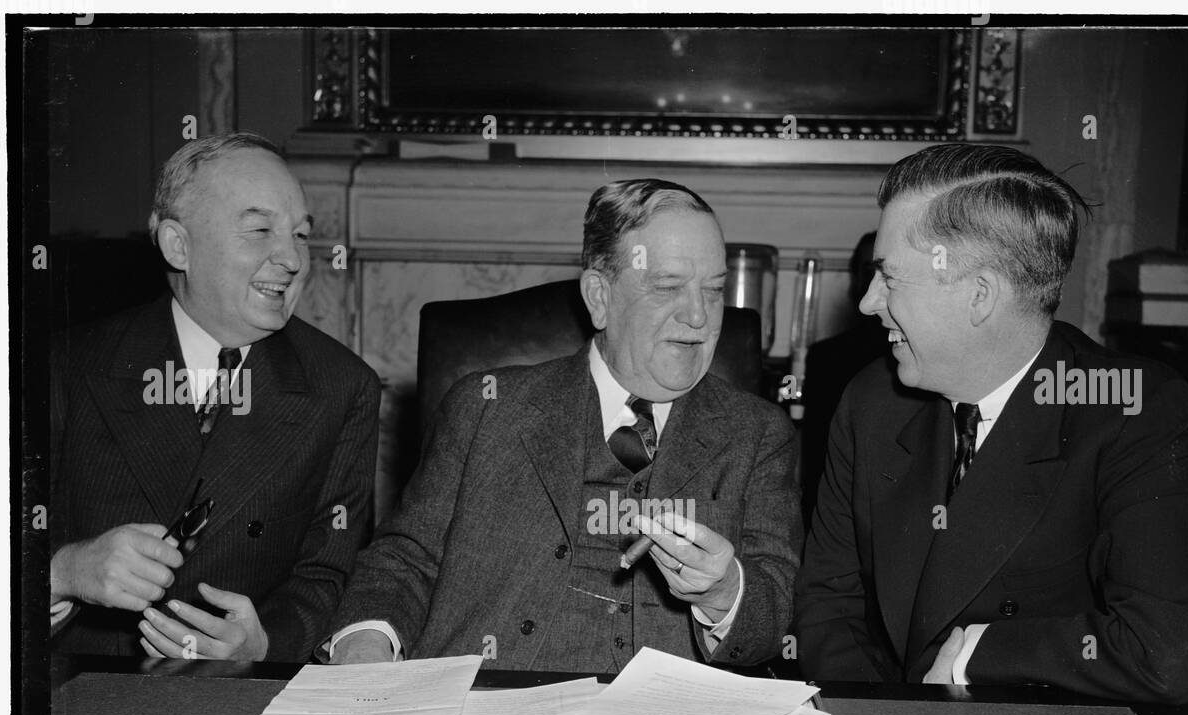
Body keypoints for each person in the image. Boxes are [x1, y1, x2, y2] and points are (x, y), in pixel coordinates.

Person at [795, 143, 1188, 703]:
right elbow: (829, 602)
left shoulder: (1134, 411)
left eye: (890, 279)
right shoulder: (873, 401)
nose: (869, 303)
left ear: (979, 295)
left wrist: (978, 653)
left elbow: (1167, 653)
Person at [329, 178, 801, 671]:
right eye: (668, 288)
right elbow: (406, 559)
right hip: (486, 708)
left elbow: (774, 616)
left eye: (714, 290)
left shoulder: (758, 434)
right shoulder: (486, 408)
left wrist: (726, 592)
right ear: (599, 296)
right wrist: (365, 640)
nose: (699, 316)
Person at [50, 132, 381, 661]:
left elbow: (328, 572)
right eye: (259, 230)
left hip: (237, 702)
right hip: (81, 688)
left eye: (300, 234)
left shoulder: (342, 386)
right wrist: (63, 572)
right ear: (179, 246)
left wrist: (265, 642)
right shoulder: (66, 367)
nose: (292, 259)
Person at [800, 231, 888, 528]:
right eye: (866, 272)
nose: (872, 283)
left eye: (884, 272)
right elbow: (815, 460)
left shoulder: (918, 364)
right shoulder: (827, 359)